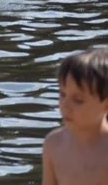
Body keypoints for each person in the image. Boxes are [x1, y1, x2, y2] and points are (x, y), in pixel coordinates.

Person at [42, 47, 108, 184]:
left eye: (78, 100)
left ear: (106, 106)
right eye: (62, 94)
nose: (65, 105)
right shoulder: (54, 144)